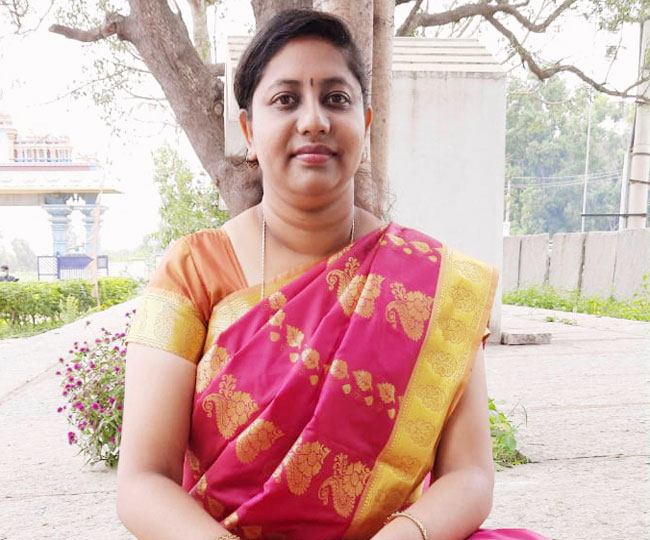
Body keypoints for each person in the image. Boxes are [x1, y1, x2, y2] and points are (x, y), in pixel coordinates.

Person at [118, 9, 549, 540]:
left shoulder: (434, 283)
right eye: (286, 99)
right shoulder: (192, 271)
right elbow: (142, 481)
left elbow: (470, 476)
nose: (314, 120)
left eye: (336, 98)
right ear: (249, 130)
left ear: (364, 124)